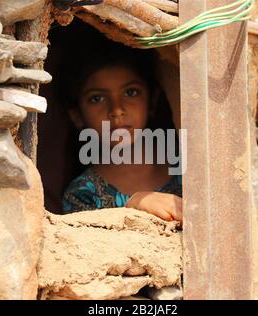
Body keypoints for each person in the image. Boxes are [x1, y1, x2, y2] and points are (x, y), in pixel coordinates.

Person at [57, 38, 182, 223]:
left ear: (152, 100)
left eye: (131, 92)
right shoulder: (82, 194)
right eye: (97, 98)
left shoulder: (188, 169)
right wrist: (133, 205)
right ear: (77, 115)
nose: (116, 110)